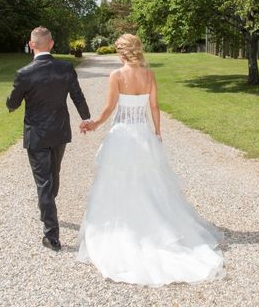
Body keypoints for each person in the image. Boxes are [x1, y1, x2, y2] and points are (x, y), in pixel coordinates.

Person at [78, 33, 224, 286]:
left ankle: (126, 226)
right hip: (143, 135)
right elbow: (154, 107)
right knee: (149, 182)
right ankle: (156, 225)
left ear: (121, 52)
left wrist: (94, 125)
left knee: (119, 183)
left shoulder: (117, 76)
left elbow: (109, 109)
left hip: (122, 136)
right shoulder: (149, 75)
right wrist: (157, 132)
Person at [6, 26, 91, 252]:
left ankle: (51, 235)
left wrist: (12, 101)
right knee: (52, 176)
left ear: (31, 44)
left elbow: (12, 104)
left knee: (46, 181)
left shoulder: (24, 73)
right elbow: (77, 95)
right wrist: (86, 118)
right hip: (60, 132)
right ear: (51, 44)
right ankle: (49, 215)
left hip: (37, 135)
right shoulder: (65, 68)